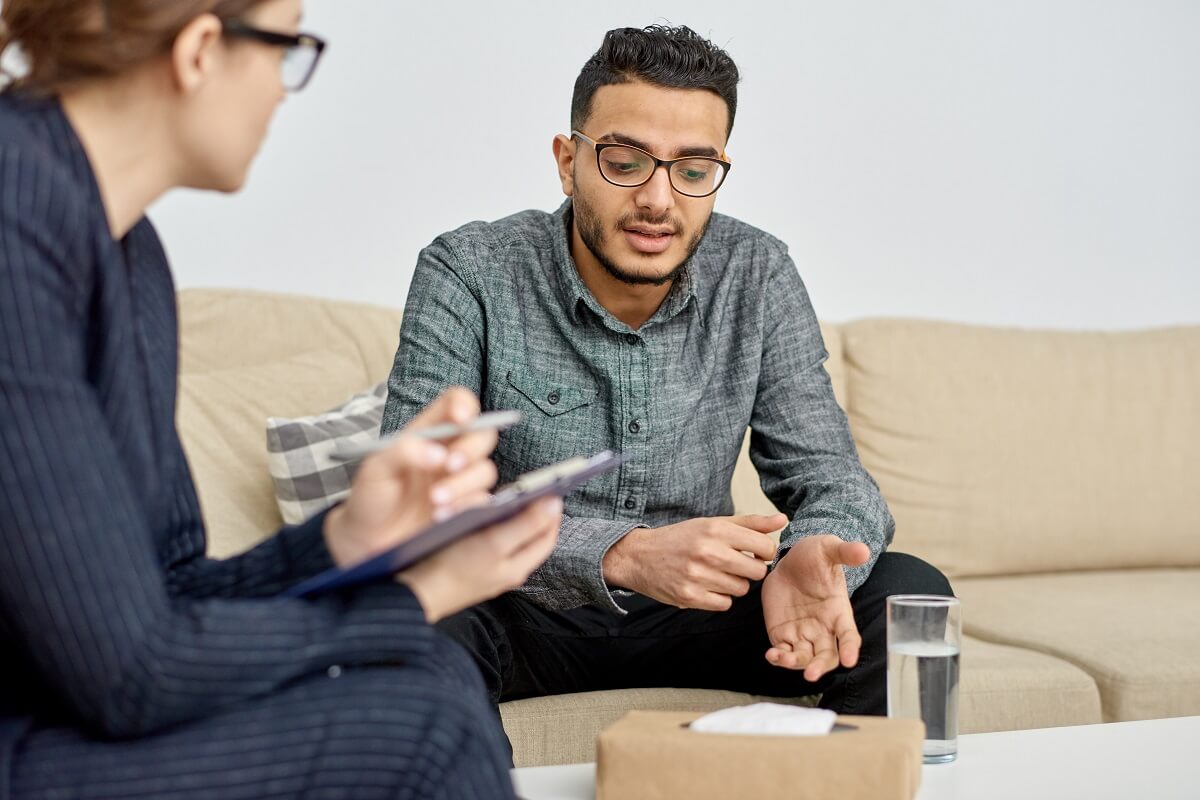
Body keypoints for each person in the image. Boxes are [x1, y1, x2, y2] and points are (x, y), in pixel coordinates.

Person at [0, 1, 562, 797]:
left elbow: (169, 590)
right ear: (200, 50)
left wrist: (342, 539)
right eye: (286, 49)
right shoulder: (15, 220)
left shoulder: (131, 256)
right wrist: (419, 593)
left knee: (433, 667)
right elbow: (130, 672)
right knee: (418, 725)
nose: (284, 91)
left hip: (59, 712)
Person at [381, 25, 954, 735]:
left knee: (910, 594)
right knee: (409, 615)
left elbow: (834, 482)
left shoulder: (757, 273)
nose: (659, 199)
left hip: (708, 615)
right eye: (625, 162)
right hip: (525, 610)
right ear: (569, 162)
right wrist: (623, 554)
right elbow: (417, 512)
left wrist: (812, 551)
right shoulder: (469, 271)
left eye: (691, 169)